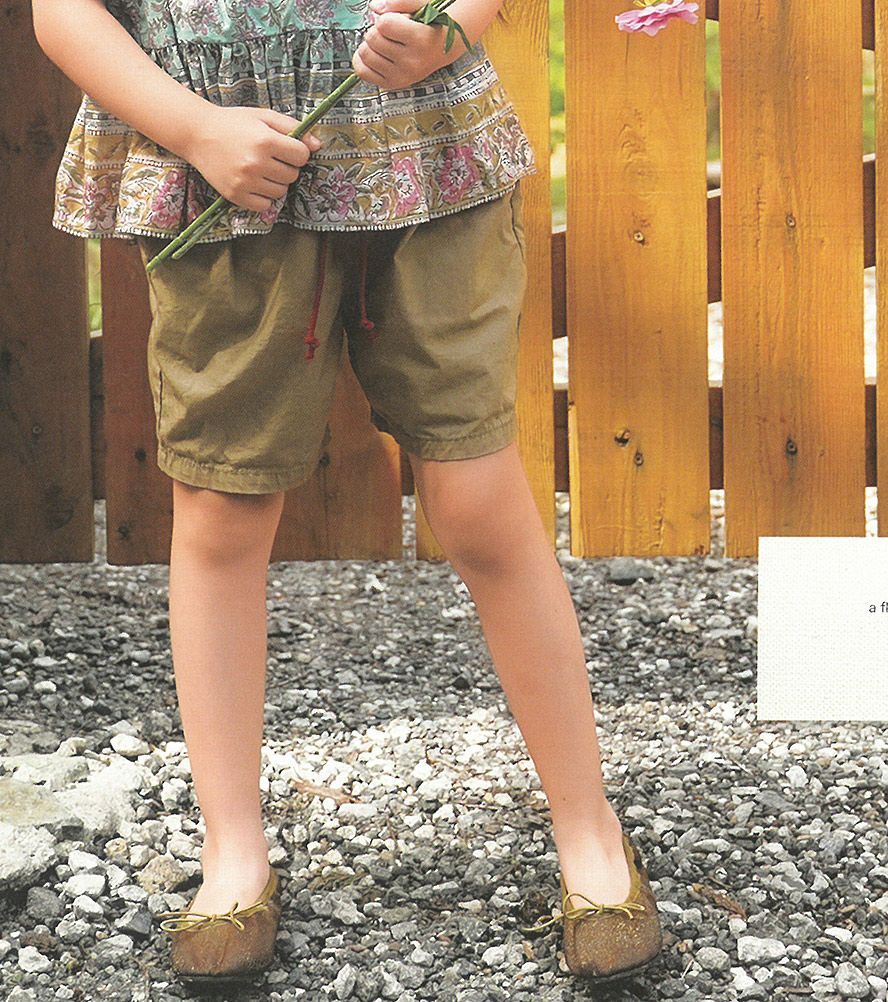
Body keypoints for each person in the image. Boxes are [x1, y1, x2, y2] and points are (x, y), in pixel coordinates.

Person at [33, 0, 663, 983]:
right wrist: (196, 130)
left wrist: (448, 30)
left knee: (478, 502)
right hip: (228, 172)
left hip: (427, 161)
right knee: (224, 511)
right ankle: (233, 850)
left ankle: (590, 830)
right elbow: (62, 12)